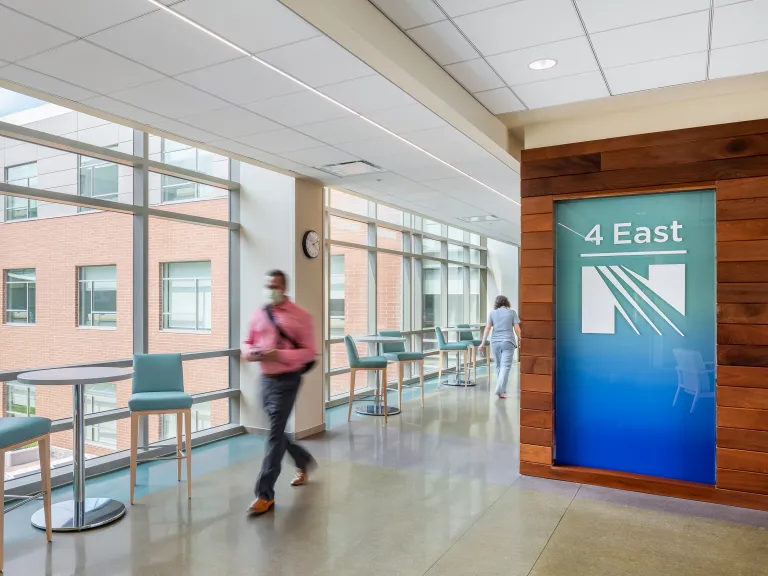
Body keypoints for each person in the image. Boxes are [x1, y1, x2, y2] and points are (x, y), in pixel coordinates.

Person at [243, 270, 317, 515]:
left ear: (284, 288)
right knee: (277, 431)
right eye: (268, 285)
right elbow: (247, 342)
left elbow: (309, 352)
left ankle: (264, 494)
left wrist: (280, 355)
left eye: (275, 286)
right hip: (265, 380)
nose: (270, 290)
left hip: (288, 380)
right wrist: (252, 353)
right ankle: (303, 460)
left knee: (275, 434)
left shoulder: (301, 316)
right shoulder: (259, 313)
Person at [478, 295, 521, 399]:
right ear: (506, 303)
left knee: (498, 366)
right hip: (508, 342)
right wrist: (521, 339)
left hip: (495, 342)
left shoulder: (492, 313)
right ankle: (500, 389)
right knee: (505, 366)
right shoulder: (512, 312)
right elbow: (517, 328)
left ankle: (502, 391)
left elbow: (487, 328)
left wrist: (483, 343)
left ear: (496, 304)